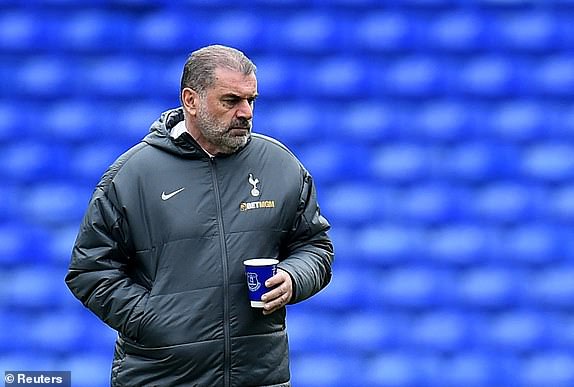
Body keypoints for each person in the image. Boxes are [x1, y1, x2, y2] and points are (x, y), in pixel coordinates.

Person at [65, 44, 334, 386]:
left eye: (251, 100)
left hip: (258, 376)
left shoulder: (281, 165)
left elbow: (315, 246)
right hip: (161, 376)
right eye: (231, 101)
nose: (246, 112)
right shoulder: (133, 175)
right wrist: (153, 320)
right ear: (191, 100)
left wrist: (295, 277)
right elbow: (89, 270)